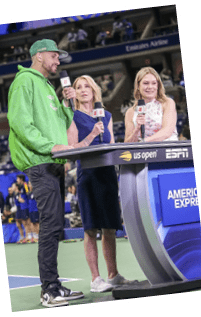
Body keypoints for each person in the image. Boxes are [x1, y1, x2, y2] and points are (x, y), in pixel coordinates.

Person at [7, 39, 84, 308]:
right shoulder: (24, 81)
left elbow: (62, 124)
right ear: (39, 56)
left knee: (55, 227)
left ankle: (54, 285)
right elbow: (19, 123)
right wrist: (51, 146)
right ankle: (49, 290)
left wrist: (67, 105)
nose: (58, 61)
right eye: (54, 56)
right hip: (40, 162)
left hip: (53, 162)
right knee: (50, 226)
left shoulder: (48, 86)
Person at [63, 75, 129, 293]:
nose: (83, 90)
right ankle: (95, 279)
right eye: (78, 87)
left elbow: (110, 144)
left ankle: (113, 275)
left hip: (107, 174)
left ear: (94, 90)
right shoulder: (72, 116)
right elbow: (72, 148)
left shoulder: (106, 115)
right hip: (88, 175)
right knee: (91, 229)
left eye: (87, 86)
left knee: (110, 227)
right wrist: (92, 135)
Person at [124, 67, 178, 143]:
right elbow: (127, 143)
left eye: (154, 83)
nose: (150, 87)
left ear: (158, 86)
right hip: (143, 153)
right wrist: (137, 129)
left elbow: (167, 131)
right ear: (138, 86)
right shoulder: (130, 112)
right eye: (146, 83)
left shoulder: (168, 103)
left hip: (167, 150)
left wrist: (144, 142)